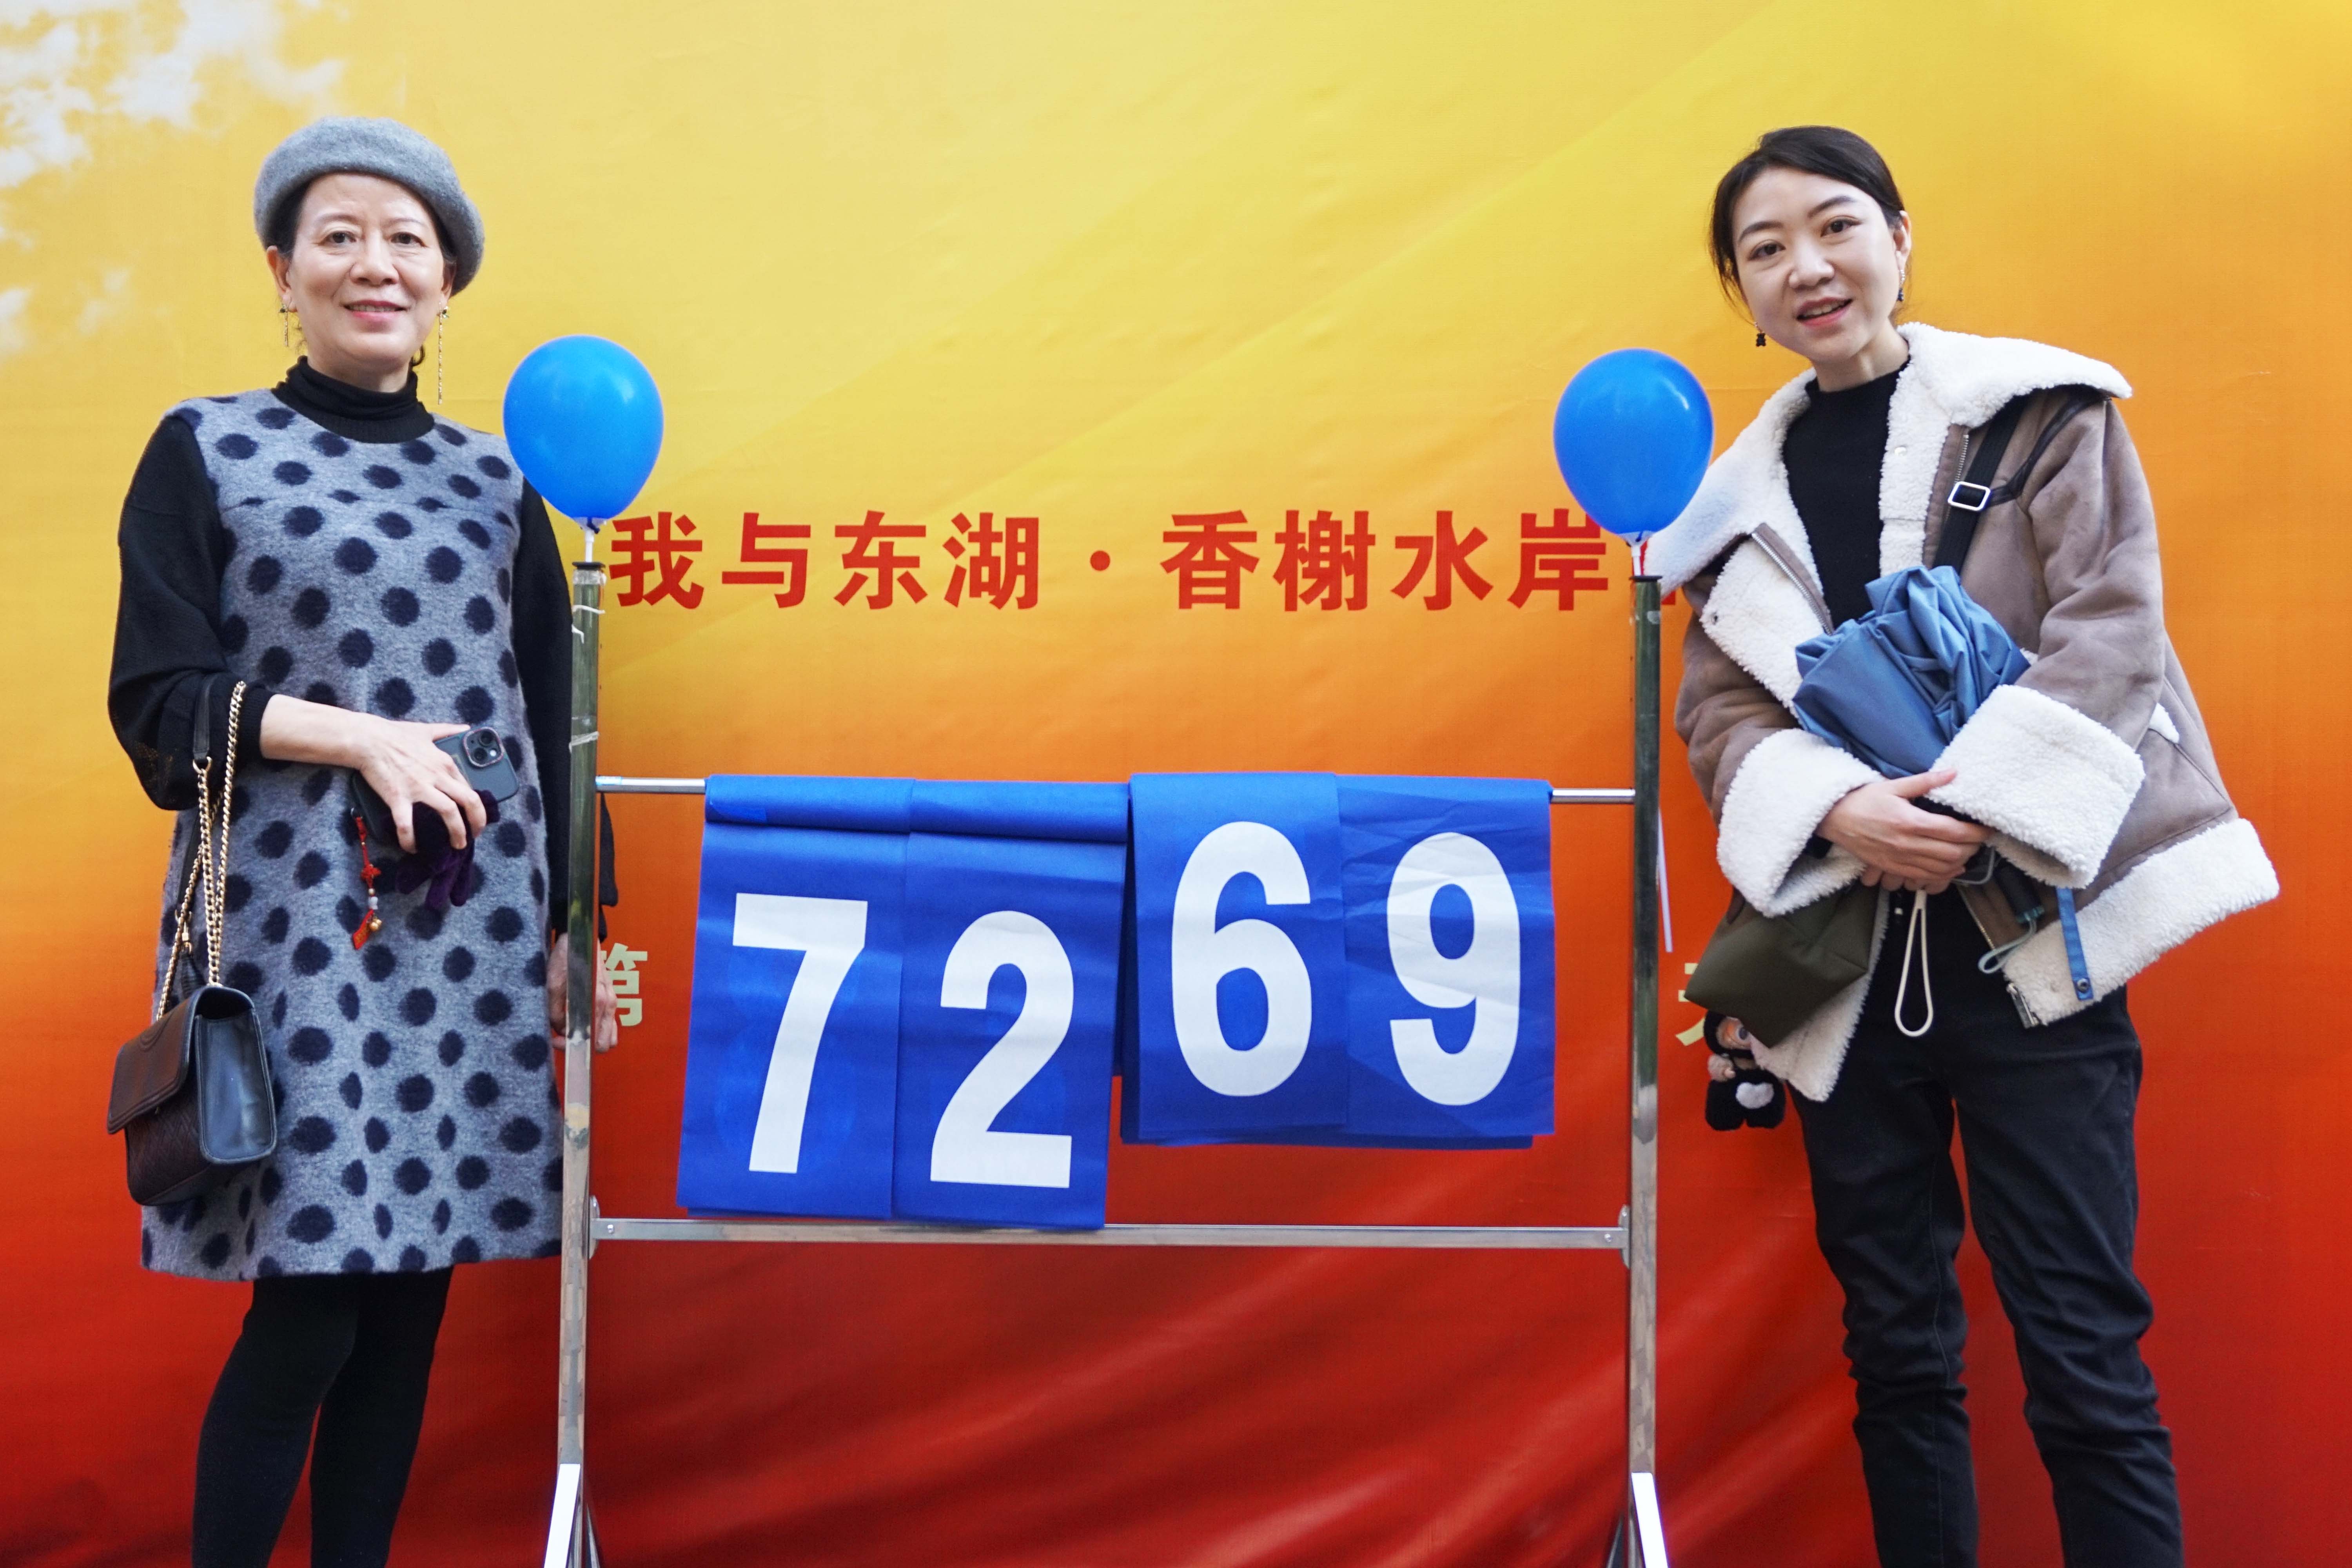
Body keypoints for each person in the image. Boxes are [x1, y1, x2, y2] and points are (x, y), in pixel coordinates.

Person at [1651, 126, 2276, 1568]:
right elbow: (1721, 717)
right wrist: (1836, 809)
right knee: (1896, 1350)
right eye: (1765, 250)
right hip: (1849, 980)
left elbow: (2113, 629)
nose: (1809, 267)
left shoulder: (2042, 414)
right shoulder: (1730, 515)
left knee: (2084, 1349)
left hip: (2035, 953)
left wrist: (1971, 809)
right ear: (1743, 296)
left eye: (1836, 225)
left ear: (1900, 236)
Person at [107, 116, 617, 1568]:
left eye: (408, 242)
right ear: (284, 271)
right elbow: (158, 704)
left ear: (447, 284)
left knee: (406, 1313)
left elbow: (557, 717)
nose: (375, 265)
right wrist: (359, 736)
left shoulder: (500, 484)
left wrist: (582, 931)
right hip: (300, 936)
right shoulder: (207, 449)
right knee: (312, 1313)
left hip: (469, 940)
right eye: (339, 236)